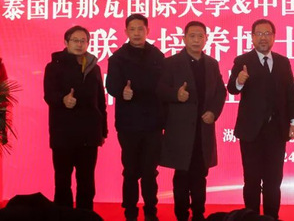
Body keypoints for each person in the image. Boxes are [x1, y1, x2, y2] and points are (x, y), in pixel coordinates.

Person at [227, 19, 294, 221]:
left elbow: (290, 94)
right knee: (251, 180)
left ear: (274, 37)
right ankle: (250, 218)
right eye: (259, 34)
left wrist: (293, 123)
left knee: (273, 181)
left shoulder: (283, 62)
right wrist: (239, 81)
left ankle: (271, 217)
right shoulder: (242, 61)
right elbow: (231, 89)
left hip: (277, 130)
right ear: (252, 37)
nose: (263, 38)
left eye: (267, 34)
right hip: (251, 131)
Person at [158, 21, 227, 221]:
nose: (196, 40)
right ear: (184, 38)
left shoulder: (212, 64)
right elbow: (160, 90)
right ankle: (181, 215)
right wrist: (175, 95)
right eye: (192, 36)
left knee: (200, 175)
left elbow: (220, 92)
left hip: (203, 129)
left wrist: (213, 112)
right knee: (181, 176)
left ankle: (198, 214)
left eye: (200, 36)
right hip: (180, 130)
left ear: (206, 39)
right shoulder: (171, 63)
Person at [106, 14, 165, 221]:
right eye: (132, 29)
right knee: (130, 171)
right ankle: (130, 213)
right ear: (126, 32)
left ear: (147, 31)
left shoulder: (158, 56)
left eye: (140, 29)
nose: (137, 33)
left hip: (153, 124)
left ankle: (151, 212)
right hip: (128, 124)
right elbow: (111, 86)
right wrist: (122, 92)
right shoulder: (117, 58)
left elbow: (163, 87)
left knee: (150, 172)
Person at [43, 25, 108, 211]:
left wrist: (103, 130)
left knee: (86, 181)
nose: (79, 44)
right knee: (63, 180)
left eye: (83, 41)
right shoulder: (54, 66)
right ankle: (62, 216)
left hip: (89, 134)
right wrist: (63, 100)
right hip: (63, 133)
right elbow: (49, 95)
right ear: (66, 42)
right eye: (75, 40)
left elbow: (100, 101)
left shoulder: (93, 68)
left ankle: (85, 215)